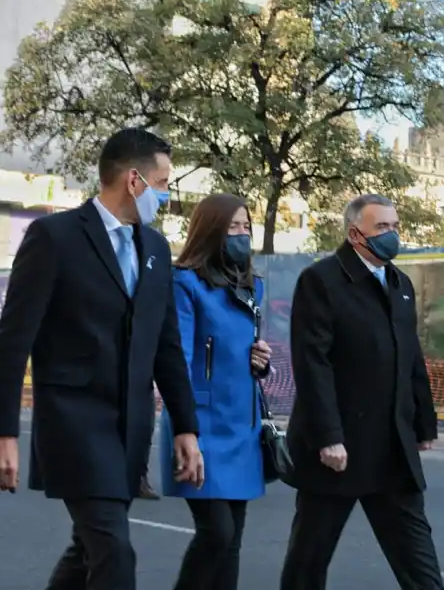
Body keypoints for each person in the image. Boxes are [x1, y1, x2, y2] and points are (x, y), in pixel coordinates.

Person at [0, 128, 204, 590]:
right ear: (135, 181)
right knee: (114, 552)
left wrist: (186, 427)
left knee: (87, 549)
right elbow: (13, 341)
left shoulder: (155, 248)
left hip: (130, 429)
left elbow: (166, 345)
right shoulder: (54, 237)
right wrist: (5, 432)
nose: (167, 194)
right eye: (164, 182)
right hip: (74, 424)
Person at [280, 194, 443, 590]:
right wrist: (328, 437)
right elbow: (312, 364)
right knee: (309, 560)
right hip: (338, 451)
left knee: (419, 563)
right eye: (382, 228)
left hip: (392, 449)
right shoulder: (321, 281)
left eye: (395, 226)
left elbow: (410, 357)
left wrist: (423, 422)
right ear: (355, 234)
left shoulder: (400, 283)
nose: (393, 235)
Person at [160, 193, 273, 590]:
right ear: (211, 231)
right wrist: (185, 430)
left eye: (246, 227)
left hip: (242, 424)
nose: (241, 235)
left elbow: (242, 352)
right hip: (200, 424)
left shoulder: (252, 287)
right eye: (232, 228)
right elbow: (176, 360)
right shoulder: (185, 284)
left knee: (232, 543)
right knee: (217, 534)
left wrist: (260, 360)